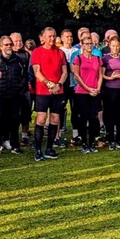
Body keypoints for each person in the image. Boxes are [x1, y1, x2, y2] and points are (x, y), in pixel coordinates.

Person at [31, 27, 67, 160]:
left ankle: (49, 148)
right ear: (43, 38)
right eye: (49, 36)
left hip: (58, 90)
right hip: (42, 90)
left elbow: (64, 72)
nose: (52, 38)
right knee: (41, 118)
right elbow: (37, 71)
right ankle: (38, 149)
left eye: (53, 36)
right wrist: (49, 84)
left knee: (55, 119)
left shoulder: (60, 53)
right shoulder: (37, 52)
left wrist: (58, 85)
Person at [0, 35, 27, 154]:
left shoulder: (18, 60)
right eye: (6, 45)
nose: (9, 47)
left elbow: (24, 76)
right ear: (0, 46)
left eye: (10, 44)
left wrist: (19, 88)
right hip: (0, 96)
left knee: (14, 121)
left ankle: (15, 145)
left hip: (14, 95)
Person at [71, 34, 103, 153]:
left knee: (93, 117)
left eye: (91, 44)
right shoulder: (78, 58)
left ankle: (92, 142)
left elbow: (100, 75)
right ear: (82, 45)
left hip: (95, 91)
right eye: (87, 44)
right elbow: (77, 75)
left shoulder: (97, 59)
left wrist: (98, 88)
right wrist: (88, 89)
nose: (89, 46)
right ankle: (84, 142)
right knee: (83, 117)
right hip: (82, 92)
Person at [99, 35, 120, 149]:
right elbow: (102, 74)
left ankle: (119, 139)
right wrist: (111, 78)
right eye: (113, 46)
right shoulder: (105, 59)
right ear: (109, 46)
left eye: (117, 46)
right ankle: (111, 138)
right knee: (109, 113)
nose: (115, 48)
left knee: (119, 114)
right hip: (109, 88)